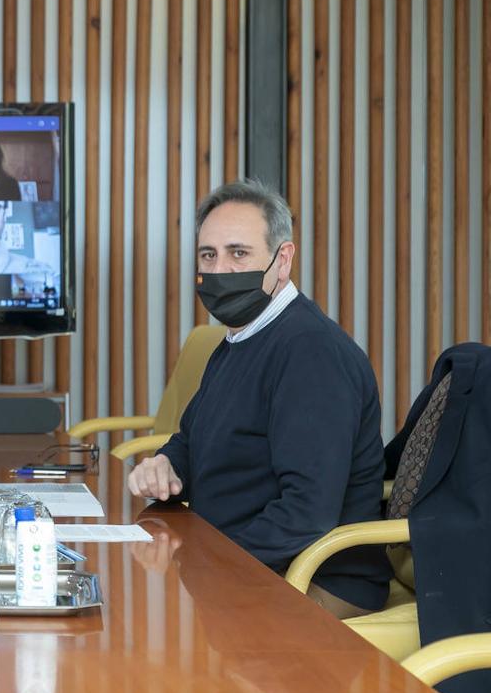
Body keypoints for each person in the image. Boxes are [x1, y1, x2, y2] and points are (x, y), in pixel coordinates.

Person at [126, 179, 390, 618]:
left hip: (309, 581)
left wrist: (203, 565)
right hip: (243, 563)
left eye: (239, 253)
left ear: (282, 260)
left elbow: (305, 514)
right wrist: (165, 467)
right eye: (208, 255)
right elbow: (192, 440)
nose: (221, 270)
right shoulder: (238, 340)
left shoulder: (310, 352)